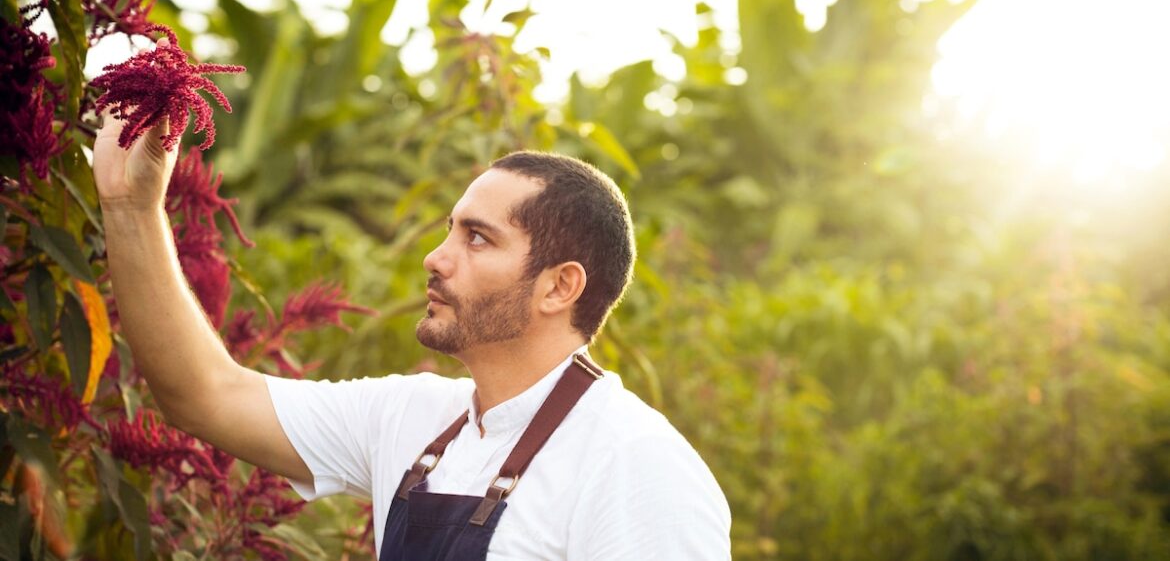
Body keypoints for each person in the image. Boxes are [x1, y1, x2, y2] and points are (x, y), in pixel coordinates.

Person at [95, 111, 732, 559]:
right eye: (449, 229)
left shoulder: (636, 466)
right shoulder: (409, 417)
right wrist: (131, 206)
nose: (435, 257)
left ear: (559, 287)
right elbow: (204, 395)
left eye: (477, 238)